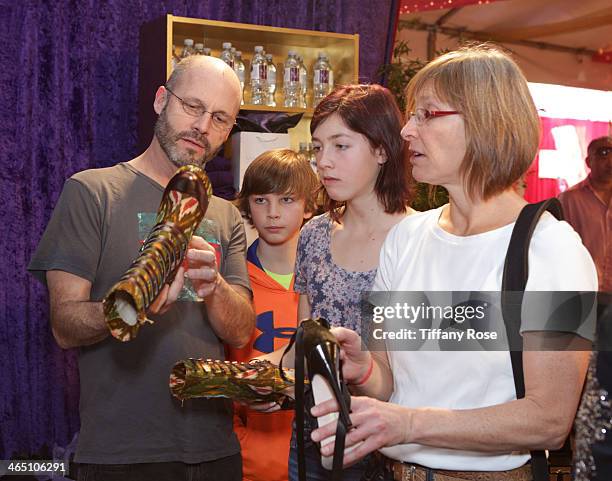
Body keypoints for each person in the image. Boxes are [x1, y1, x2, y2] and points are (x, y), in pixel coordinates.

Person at [310, 45, 598, 480]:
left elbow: (550, 419)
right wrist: (366, 368)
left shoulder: (554, 250)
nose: (406, 131)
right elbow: (391, 380)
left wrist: (408, 423)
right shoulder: (404, 239)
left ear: (486, 122)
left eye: (426, 114)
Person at [28, 56, 255, 481]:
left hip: (216, 451)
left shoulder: (226, 215)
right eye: (192, 106)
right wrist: (134, 306)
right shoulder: (93, 191)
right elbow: (64, 324)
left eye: (220, 117)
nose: (203, 126)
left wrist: (215, 286)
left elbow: (241, 331)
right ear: (160, 100)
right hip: (122, 454)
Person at [289, 84, 413, 481]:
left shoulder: (418, 238)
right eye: (318, 147)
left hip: (389, 443)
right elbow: (302, 342)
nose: (323, 162)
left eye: (340, 146)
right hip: (313, 435)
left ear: (381, 149)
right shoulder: (313, 235)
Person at [228, 148, 319, 481]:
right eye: (261, 200)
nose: (273, 213)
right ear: (247, 206)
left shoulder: (325, 284)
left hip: (318, 459)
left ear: (309, 206)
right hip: (250, 461)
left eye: (287, 200)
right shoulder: (232, 285)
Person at [559, 135, 611, 294]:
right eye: (603, 153)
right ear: (588, 162)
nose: (610, 161)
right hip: (583, 290)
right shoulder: (569, 199)